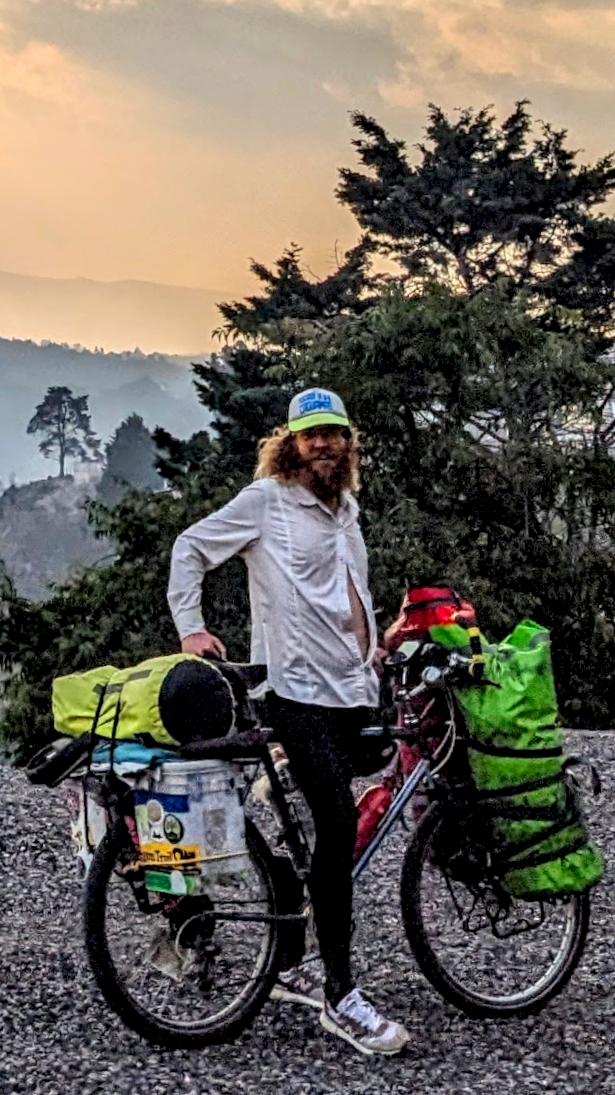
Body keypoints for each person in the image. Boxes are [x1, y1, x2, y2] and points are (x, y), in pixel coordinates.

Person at [167, 386, 411, 1057]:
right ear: (292, 444)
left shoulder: (346, 510)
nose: (325, 444)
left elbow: (347, 596)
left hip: (349, 690)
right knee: (336, 825)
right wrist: (192, 629)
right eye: (312, 434)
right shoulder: (267, 502)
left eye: (335, 433)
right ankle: (342, 997)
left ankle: (290, 953)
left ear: (348, 443)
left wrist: (376, 649)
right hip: (295, 691)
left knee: (321, 827)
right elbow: (190, 548)